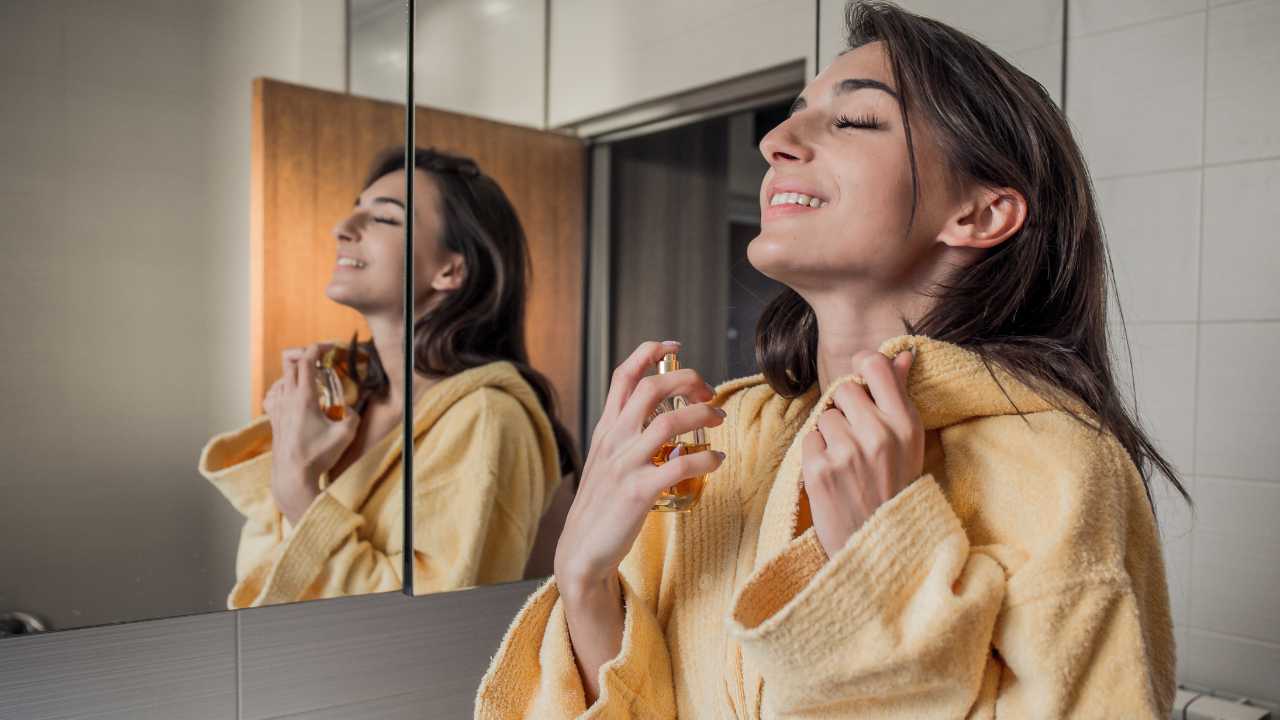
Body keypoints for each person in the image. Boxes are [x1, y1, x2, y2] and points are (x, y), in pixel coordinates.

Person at [474, 2, 1181, 717]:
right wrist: (585, 582)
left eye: (855, 120)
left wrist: (880, 567)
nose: (775, 140)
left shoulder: (1054, 467)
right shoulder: (725, 438)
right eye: (794, 113)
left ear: (978, 214)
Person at [199, 147, 578, 607]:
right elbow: (261, 581)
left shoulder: (487, 416)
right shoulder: (342, 404)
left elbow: (428, 624)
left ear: (451, 269)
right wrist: (289, 450)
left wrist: (298, 490)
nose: (342, 228)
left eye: (384, 218)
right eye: (355, 209)